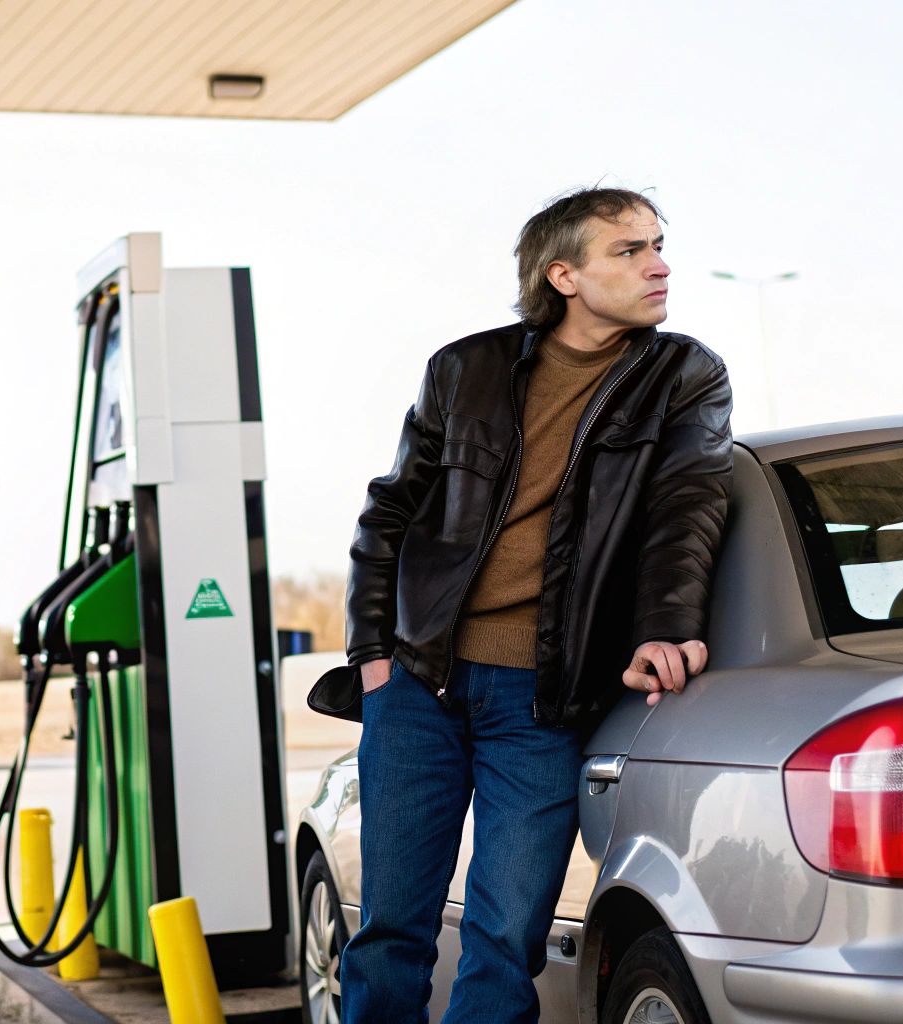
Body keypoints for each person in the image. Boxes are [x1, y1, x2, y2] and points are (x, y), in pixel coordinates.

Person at [338, 187, 734, 1023]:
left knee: (505, 937)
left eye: (659, 245)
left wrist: (669, 625)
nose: (659, 264)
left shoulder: (683, 376)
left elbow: (687, 505)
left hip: (544, 696)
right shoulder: (464, 368)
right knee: (390, 931)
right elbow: (391, 510)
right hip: (418, 682)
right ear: (564, 274)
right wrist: (371, 651)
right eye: (629, 250)